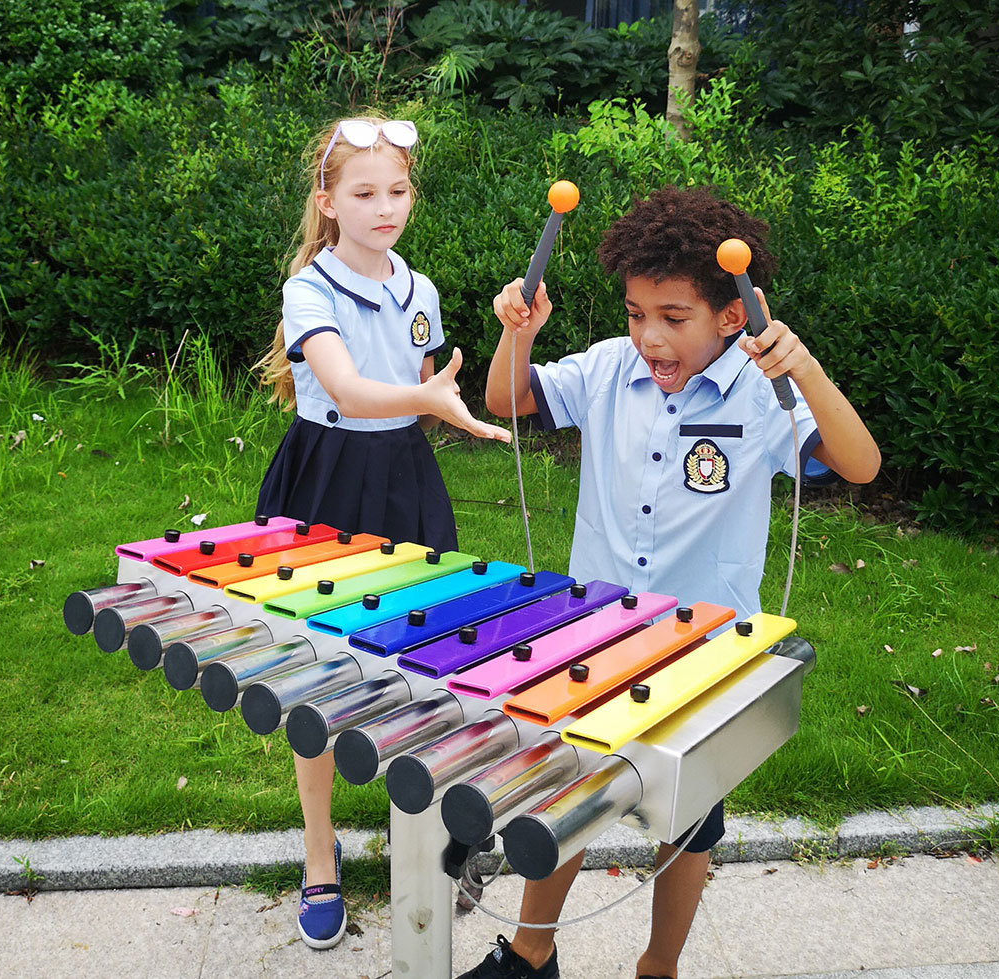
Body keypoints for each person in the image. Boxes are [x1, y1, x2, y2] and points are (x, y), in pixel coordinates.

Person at [462, 184, 881, 979]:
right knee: (567, 799)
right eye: (634, 312)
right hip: (593, 636)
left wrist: (806, 368)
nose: (649, 336)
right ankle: (529, 951)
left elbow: (860, 464)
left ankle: (660, 964)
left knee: (689, 822)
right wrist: (520, 333)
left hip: (707, 652)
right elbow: (502, 398)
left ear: (732, 315)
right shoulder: (607, 369)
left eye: (673, 317)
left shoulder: (763, 395)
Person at [253, 115, 509, 951]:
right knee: (318, 677)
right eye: (364, 192)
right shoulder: (308, 293)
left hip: (404, 478)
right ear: (327, 202)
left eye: (397, 190)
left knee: (426, 660)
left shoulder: (421, 288)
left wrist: (452, 403)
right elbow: (354, 392)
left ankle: (427, 836)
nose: (384, 206)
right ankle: (319, 852)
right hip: (325, 479)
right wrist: (429, 400)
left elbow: (422, 381)